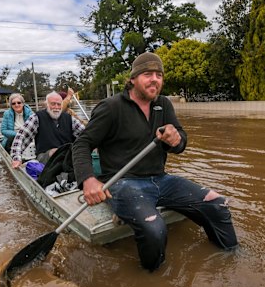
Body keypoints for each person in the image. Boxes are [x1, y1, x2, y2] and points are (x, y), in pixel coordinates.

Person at [72, 52, 239, 272]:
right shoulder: (111, 107)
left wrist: (175, 139)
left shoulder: (164, 105)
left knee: (217, 205)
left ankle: (233, 260)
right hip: (123, 183)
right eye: (148, 74)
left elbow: (180, 143)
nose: (155, 79)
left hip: (160, 179)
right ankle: (153, 280)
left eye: (159, 75)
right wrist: (88, 180)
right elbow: (81, 144)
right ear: (132, 79)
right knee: (154, 229)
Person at [11, 91, 85, 168]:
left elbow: (84, 134)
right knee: (55, 152)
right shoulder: (36, 118)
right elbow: (21, 137)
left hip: (67, 155)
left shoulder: (69, 118)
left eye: (59, 104)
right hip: (45, 156)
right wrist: (16, 158)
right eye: (53, 104)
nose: (56, 107)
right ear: (47, 105)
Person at [0, 93, 35, 158]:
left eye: (19, 102)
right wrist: (18, 134)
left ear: (23, 103)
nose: (16, 105)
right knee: (11, 140)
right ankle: (12, 156)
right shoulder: (7, 114)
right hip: (12, 137)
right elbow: (3, 130)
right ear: (11, 105)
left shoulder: (30, 113)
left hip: (27, 137)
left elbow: (35, 127)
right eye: (13, 103)